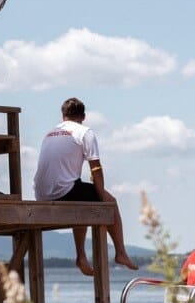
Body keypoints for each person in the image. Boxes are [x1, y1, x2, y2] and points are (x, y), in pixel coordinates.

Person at [33, 97, 139, 276]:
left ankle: (81, 256)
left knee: (81, 194)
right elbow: (95, 167)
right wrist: (101, 195)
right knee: (110, 202)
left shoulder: (50, 133)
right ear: (83, 116)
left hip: (41, 193)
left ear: (63, 116)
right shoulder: (84, 132)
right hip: (63, 191)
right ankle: (120, 252)